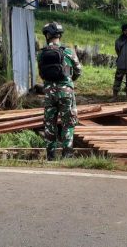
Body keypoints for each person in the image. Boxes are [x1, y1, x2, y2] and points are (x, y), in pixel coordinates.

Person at [37, 22, 82, 160]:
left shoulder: (41, 53)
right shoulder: (68, 51)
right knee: (68, 123)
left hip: (49, 93)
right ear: (59, 35)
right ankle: (67, 154)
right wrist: (69, 80)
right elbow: (79, 70)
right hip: (66, 92)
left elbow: (41, 73)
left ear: (47, 36)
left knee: (50, 124)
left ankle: (50, 155)